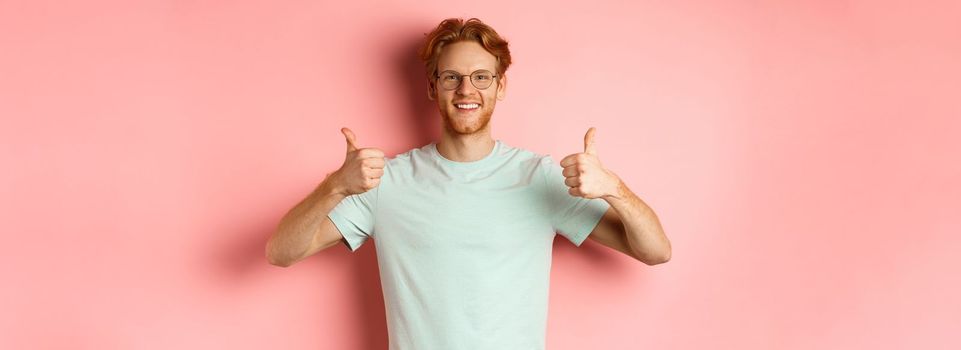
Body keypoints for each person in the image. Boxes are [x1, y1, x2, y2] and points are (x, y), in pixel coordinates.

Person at [266, 17, 671, 350]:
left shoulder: (539, 178)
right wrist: (335, 186)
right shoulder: (384, 182)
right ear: (432, 87)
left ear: (500, 86)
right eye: (451, 77)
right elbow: (281, 252)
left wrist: (613, 188)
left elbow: (655, 251)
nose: (466, 90)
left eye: (481, 77)